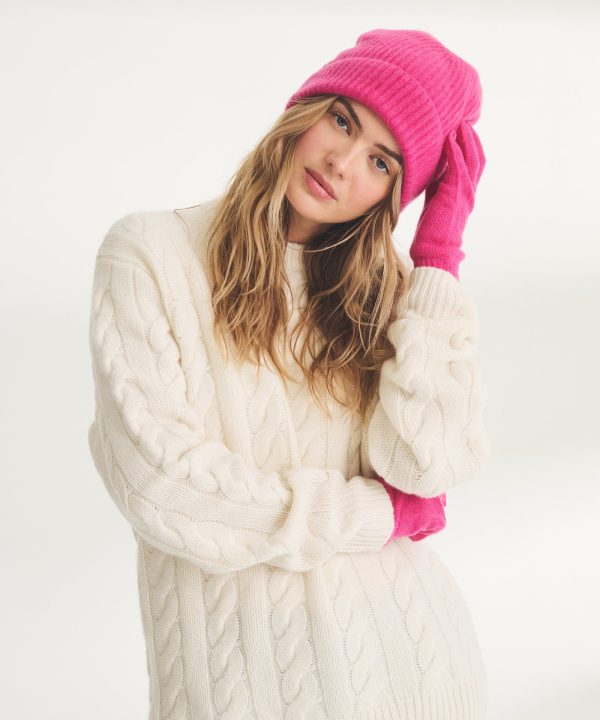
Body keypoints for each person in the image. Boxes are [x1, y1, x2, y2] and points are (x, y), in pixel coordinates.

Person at [87, 28, 490, 720]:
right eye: (342, 120)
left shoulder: (393, 298)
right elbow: (162, 488)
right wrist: (374, 514)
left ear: (394, 193)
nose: (341, 162)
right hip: (234, 695)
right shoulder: (150, 255)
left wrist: (438, 255)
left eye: (382, 162)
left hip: (418, 681)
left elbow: (425, 469)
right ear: (304, 109)